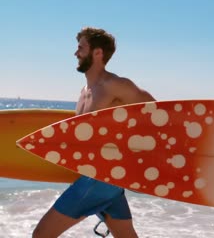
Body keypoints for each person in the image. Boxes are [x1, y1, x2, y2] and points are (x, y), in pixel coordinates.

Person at [32, 27, 155, 238]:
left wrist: (137, 158)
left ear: (97, 53)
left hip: (101, 179)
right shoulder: (84, 92)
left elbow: (156, 112)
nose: (76, 53)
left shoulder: (114, 85)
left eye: (81, 48)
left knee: (42, 235)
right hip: (103, 179)